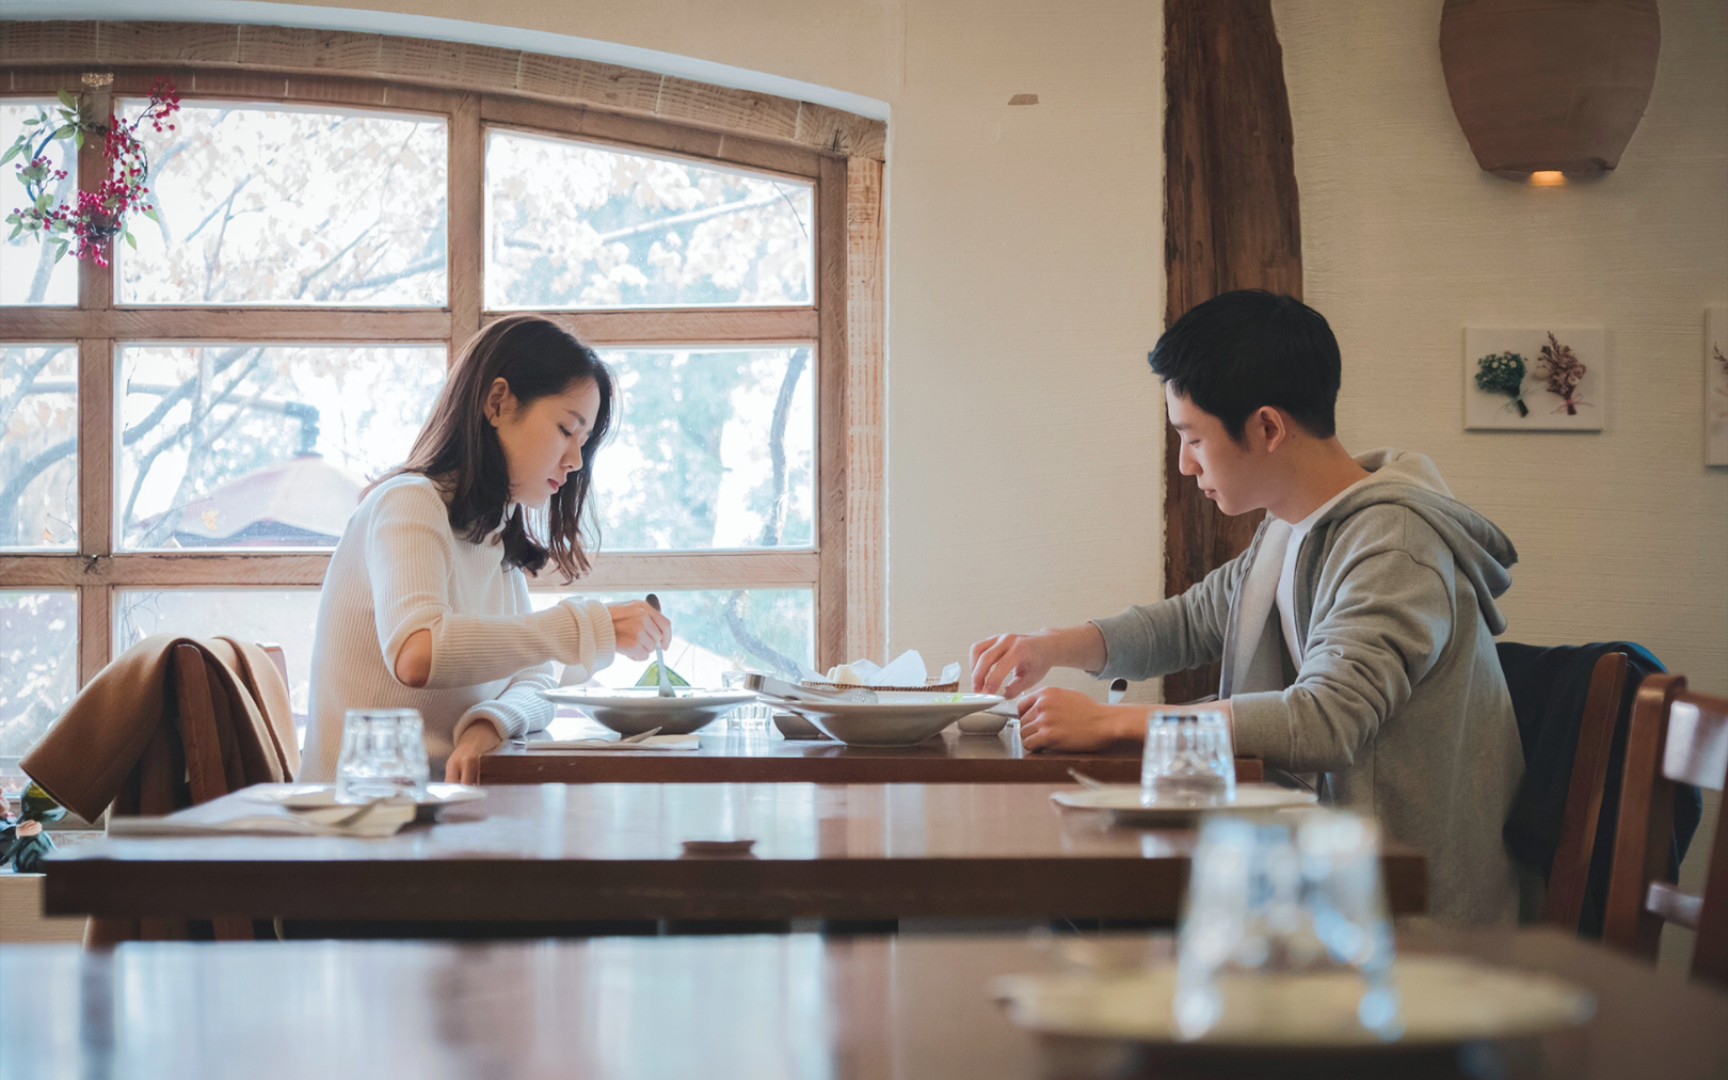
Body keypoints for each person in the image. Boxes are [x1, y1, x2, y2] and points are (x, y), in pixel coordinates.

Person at [971, 290, 1524, 925]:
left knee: (1080, 898)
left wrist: (1109, 724)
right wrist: (1052, 646)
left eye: (1194, 439)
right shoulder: (1293, 527)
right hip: (1309, 860)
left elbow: (1324, 720)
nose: (1184, 464)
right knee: (1076, 890)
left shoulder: (1394, 544)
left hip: (1389, 898)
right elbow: (1193, 620)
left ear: (1266, 427)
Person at [303, 315, 671, 786]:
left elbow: (536, 678)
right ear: (497, 403)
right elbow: (418, 653)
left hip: (436, 815)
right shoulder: (410, 502)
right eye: (565, 429)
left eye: (584, 442)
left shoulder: (493, 537)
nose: (576, 461)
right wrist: (588, 625)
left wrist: (487, 725)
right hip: (361, 825)